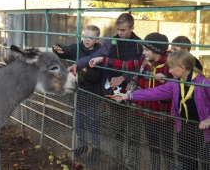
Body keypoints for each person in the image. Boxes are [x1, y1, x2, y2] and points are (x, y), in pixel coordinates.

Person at [113, 49, 210, 170]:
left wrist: (208, 119)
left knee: (206, 160)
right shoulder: (175, 83)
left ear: (182, 68)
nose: (169, 71)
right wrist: (129, 95)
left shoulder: (204, 84)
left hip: (204, 130)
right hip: (185, 128)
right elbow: (154, 92)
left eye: (171, 68)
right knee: (187, 161)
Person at [68, 13, 143, 169]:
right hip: (114, 91)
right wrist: (77, 64)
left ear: (132, 28)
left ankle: (133, 164)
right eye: (118, 29)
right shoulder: (112, 41)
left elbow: (139, 67)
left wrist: (123, 77)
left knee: (133, 133)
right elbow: (96, 55)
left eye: (123, 30)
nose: (120, 33)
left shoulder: (140, 45)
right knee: (117, 128)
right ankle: (117, 161)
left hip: (134, 93)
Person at [91, 32, 175, 170]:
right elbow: (127, 64)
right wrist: (103, 60)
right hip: (148, 113)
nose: (143, 52)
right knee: (152, 146)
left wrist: (168, 79)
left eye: (146, 50)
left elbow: (181, 80)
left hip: (164, 115)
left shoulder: (170, 65)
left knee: (168, 149)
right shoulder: (144, 62)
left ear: (156, 50)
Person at [53, 25, 102, 164]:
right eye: (86, 36)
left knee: (92, 123)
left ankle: (96, 149)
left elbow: (97, 77)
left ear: (97, 40)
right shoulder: (76, 48)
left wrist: (85, 69)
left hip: (91, 94)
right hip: (75, 92)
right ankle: (82, 145)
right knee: (78, 121)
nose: (87, 39)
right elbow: (65, 50)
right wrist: (57, 48)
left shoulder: (99, 53)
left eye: (91, 37)